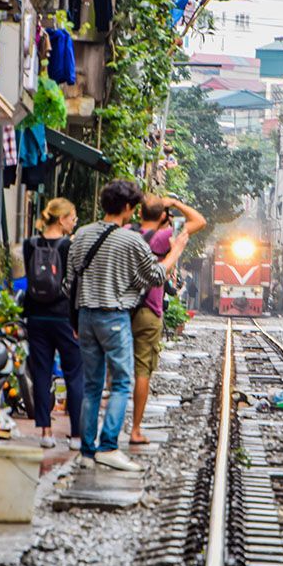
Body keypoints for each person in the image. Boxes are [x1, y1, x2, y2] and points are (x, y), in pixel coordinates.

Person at [65, 181, 189, 472]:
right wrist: (176, 250)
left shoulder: (81, 235)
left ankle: (86, 451)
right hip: (114, 317)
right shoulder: (130, 240)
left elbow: (68, 283)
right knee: (121, 382)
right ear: (128, 208)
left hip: (84, 316)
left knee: (93, 384)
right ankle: (108, 446)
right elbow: (156, 276)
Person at [129, 194, 205, 446]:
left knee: (114, 368)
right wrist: (175, 203)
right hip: (150, 308)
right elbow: (199, 222)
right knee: (143, 370)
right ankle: (136, 429)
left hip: (122, 307)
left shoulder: (127, 232)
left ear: (139, 214)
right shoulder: (164, 237)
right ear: (163, 216)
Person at [22, 198, 84, 450]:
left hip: (35, 315)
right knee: (74, 374)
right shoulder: (68, 246)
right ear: (61, 219)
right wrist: (77, 321)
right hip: (62, 316)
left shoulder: (29, 244)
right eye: (72, 218)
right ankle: (77, 436)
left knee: (41, 372)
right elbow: (75, 285)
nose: (74, 222)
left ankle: (46, 432)